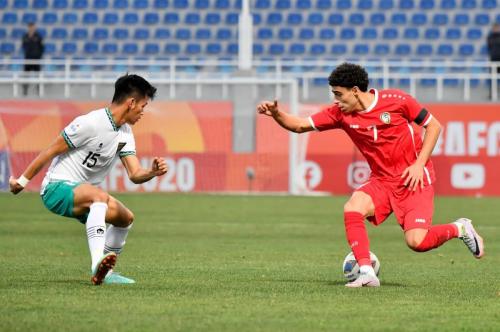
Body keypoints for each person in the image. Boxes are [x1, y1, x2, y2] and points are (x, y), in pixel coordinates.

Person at [257, 63, 484, 288]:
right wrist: (277, 113)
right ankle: (366, 272)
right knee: (352, 207)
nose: (336, 100)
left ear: (355, 90)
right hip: (382, 181)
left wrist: (418, 164)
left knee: (417, 242)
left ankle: (460, 228)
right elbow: (299, 125)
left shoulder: (398, 100)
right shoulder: (339, 114)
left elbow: (434, 126)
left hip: (413, 179)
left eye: (339, 94)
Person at [9, 74, 168, 285]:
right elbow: (50, 151)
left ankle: (106, 274)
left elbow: (134, 174)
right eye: (143, 105)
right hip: (56, 188)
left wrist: (152, 172)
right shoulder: (90, 123)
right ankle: (97, 265)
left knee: (125, 219)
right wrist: (22, 181)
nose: (143, 112)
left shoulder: (126, 133)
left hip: (84, 194)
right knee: (99, 197)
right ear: (131, 103)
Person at [21, 22, 44, 96]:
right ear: (28, 28)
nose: (31, 28)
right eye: (30, 27)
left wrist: (39, 56)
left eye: (33, 27)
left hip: (36, 59)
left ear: (35, 27)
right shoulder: (25, 36)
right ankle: (25, 90)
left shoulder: (39, 36)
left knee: (38, 75)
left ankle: (39, 91)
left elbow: (42, 47)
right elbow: (23, 46)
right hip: (27, 59)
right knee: (26, 75)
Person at [487, 23, 500, 98]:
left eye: (497, 28)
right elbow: (490, 45)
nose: (496, 29)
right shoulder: (490, 36)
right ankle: (492, 94)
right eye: (494, 28)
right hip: (493, 59)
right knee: (492, 77)